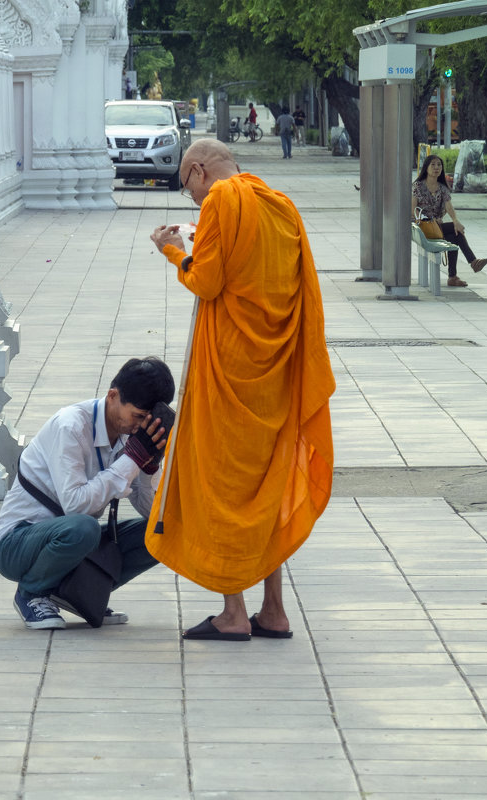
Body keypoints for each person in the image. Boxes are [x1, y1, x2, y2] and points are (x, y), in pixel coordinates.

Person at [147, 139, 335, 641]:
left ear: (200, 170)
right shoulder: (282, 207)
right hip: (274, 372)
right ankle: (273, 610)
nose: (192, 201)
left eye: (188, 187)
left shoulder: (223, 200)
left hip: (229, 373)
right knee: (267, 487)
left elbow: (207, 282)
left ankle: (234, 613)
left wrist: (173, 252)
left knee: (225, 485)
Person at [0, 357, 175, 630]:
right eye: (137, 416)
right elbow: (76, 506)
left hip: (71, 542)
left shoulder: (130, 435)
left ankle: (81, 593)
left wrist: (148, 466)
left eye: (145, 421)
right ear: (113, 395)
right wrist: (132, 460)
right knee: (84, 527)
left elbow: (152, 512)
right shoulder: (71, 426)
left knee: (166, 529)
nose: (139, 427)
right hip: (17, 543)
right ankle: (31, 592)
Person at [412, 154, 487, 287]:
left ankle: (456, 274)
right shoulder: (418, 186)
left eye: (439, 165)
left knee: (455, 234)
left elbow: (449, 206)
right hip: (422, 227)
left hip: (437, 228)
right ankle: (470, 263)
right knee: (455, 232)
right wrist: (428, 219)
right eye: (433, 165)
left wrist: (456, 221)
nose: (436, 168)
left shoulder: (442, 188)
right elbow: (412, 208)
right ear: (426, 167)